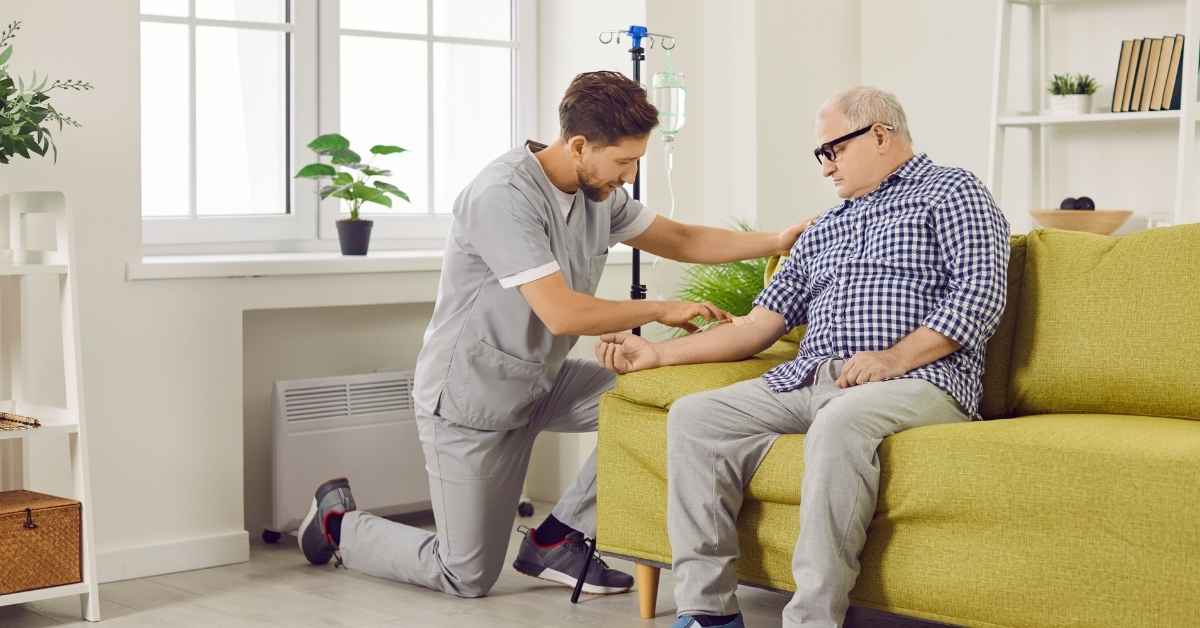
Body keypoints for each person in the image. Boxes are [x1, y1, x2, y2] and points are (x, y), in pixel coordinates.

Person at [297, 70, 814, 601]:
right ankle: (337, 525)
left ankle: (558, 539)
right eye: (624, 162)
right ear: (580, 145)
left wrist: (778, 240)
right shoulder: (501, 195)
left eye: (636, 161)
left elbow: (680, 238)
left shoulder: (597, 192)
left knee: (666, 408)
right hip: (473, 398)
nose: (630, 176)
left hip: (545, 380)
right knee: (464, 574)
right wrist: (664, 307)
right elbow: (562, 314)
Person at [594, 86, 1011, 628]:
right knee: (696, 416)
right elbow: (757, 326)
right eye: (822, 154)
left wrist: (893, 358)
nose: (825, 167)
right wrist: (655, 354)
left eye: (832, 150)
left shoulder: (953, 191)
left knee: (839, 421)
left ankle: (812, 620)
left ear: (879, 135)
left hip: (921, 379)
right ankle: (707, 612)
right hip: (811, 380)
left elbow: (980, 293)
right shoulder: (825, 227)